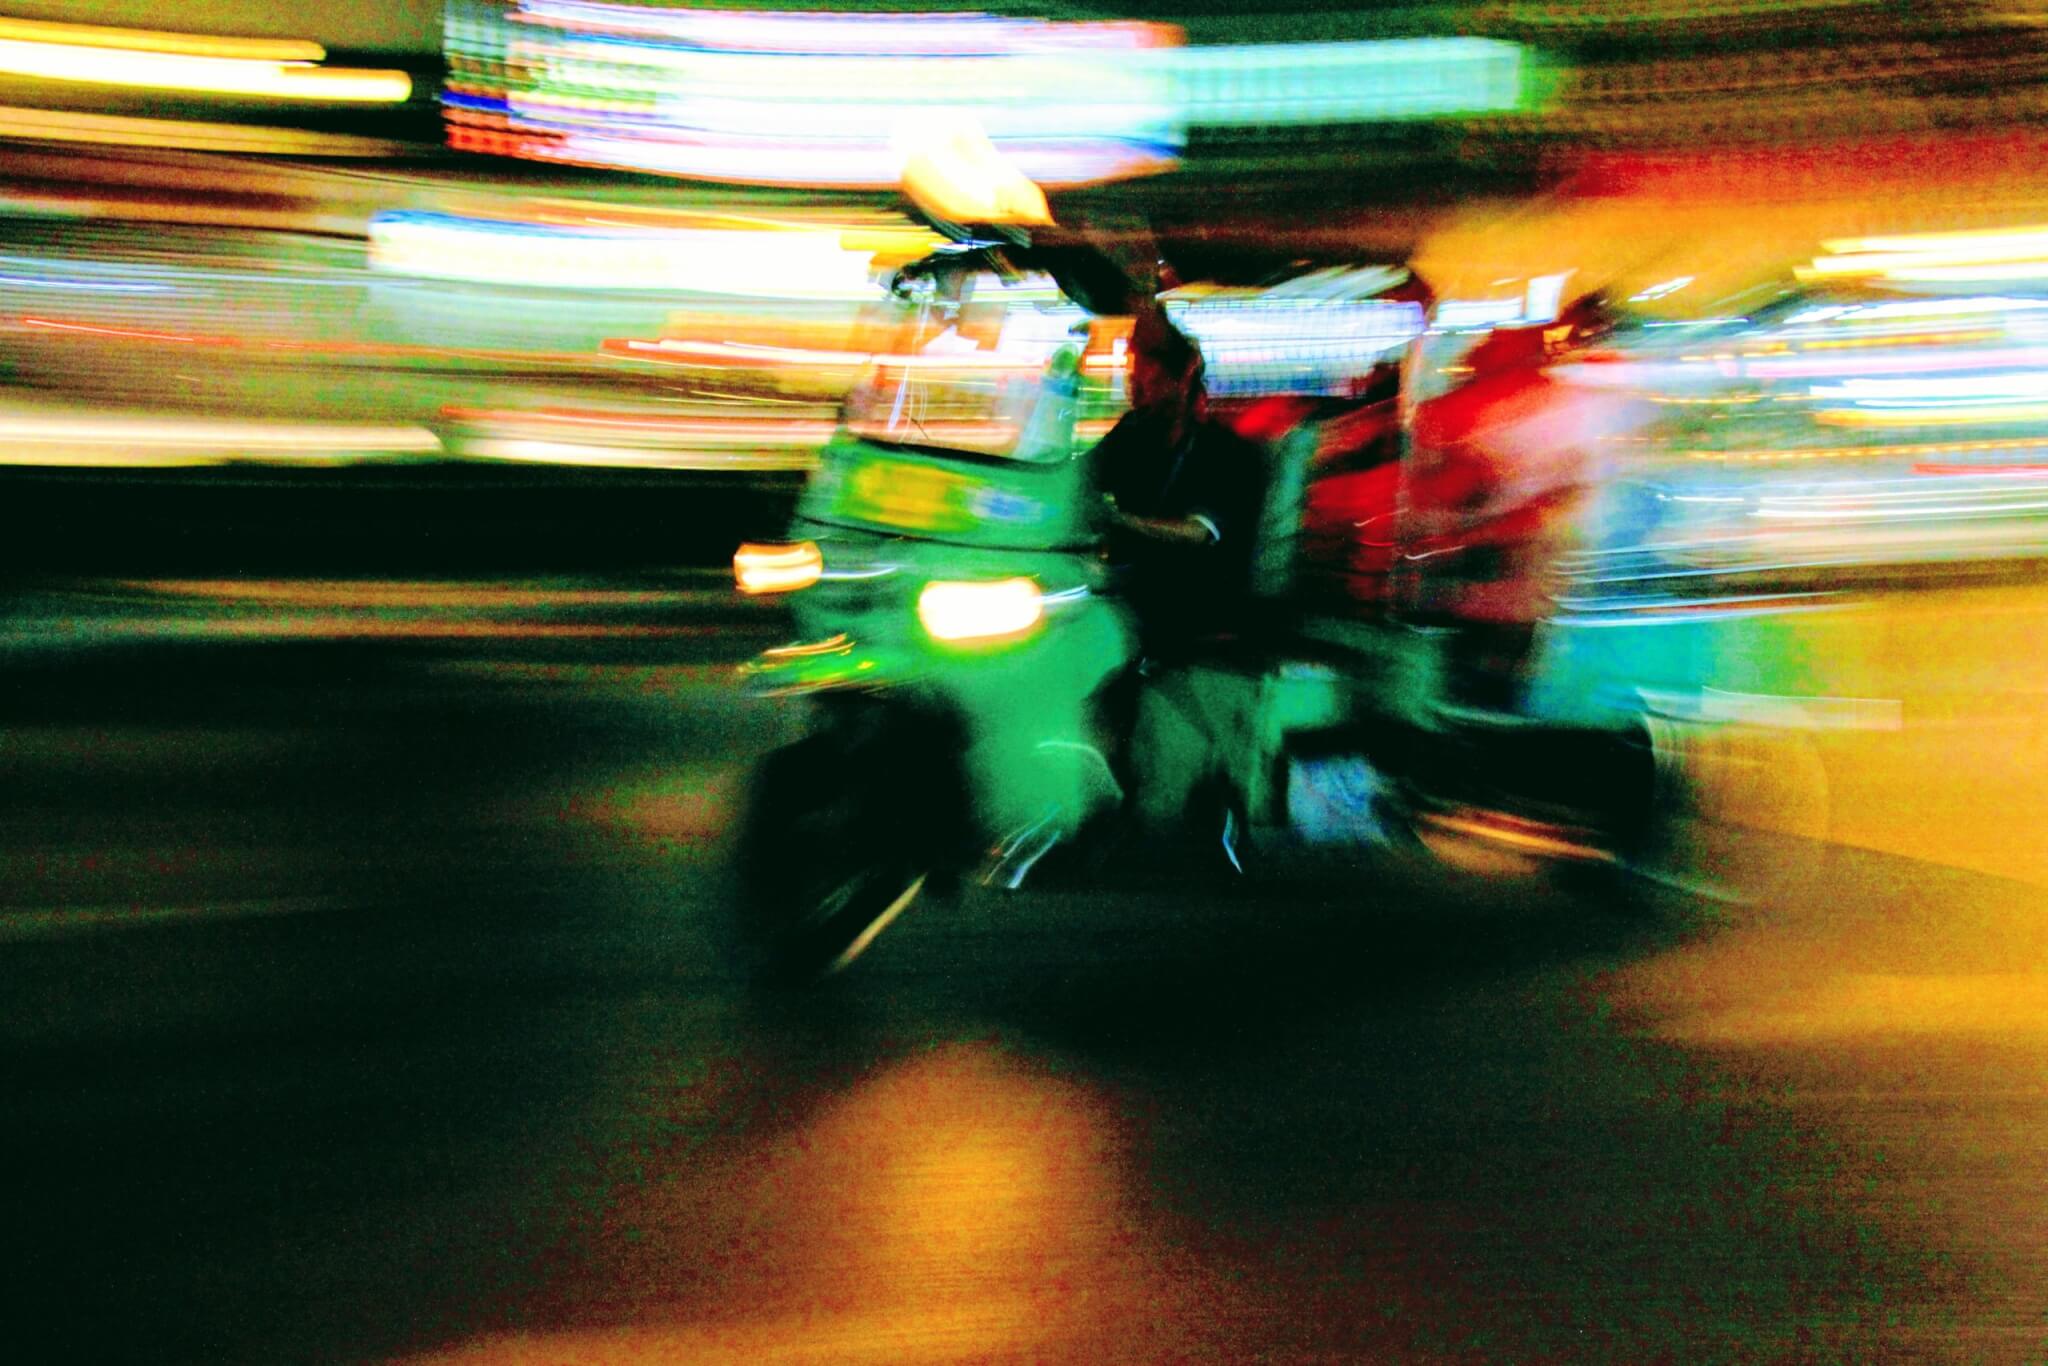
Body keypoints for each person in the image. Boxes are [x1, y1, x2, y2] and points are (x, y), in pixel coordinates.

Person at [1090, 309, 1267, 655]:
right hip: (1129, 598)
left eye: (1146, 367)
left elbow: (1197, 533)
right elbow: (1083, 477)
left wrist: (1120, 520)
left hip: (1193, 612)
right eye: (1133, 366)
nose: (1135, 379)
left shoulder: (1225, 451)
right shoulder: (1133, 433)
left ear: (1182, 378)